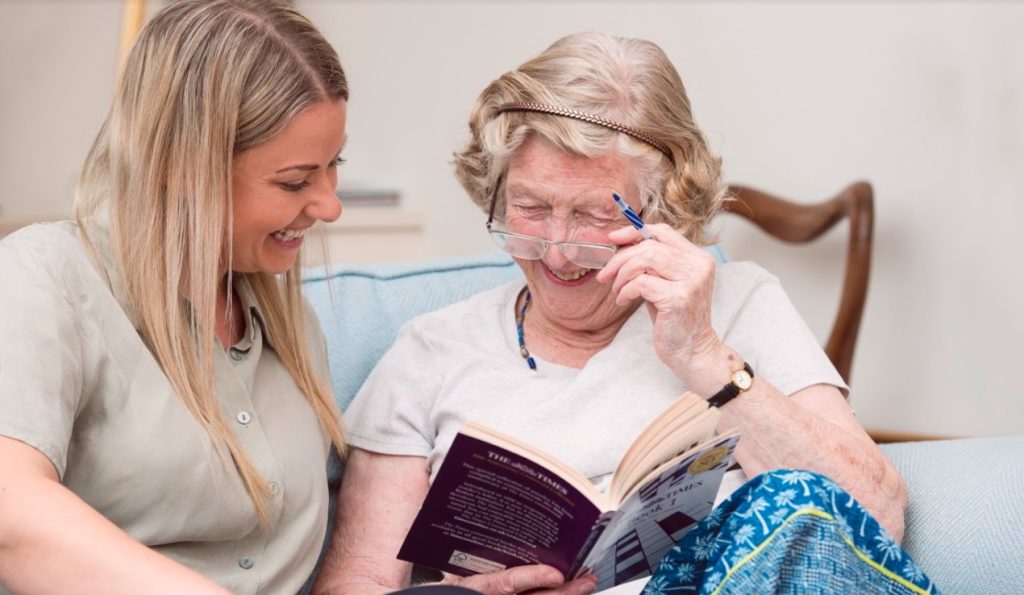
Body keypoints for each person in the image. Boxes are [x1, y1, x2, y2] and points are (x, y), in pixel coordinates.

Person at [314, 32, 937, 595]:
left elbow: (872, 515)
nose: (558, 249)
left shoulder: (740, 304)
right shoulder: (429, 352)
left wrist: (705, 358)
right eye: (530, 207)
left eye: (593, 215)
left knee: (787, 506)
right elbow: (357, 585)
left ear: (663, 210)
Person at [0, 1, 349, 592]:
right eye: (294, 181)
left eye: (333, 165)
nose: (330, 206)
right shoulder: (46, 278)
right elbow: (10, 511)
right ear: (180, 167)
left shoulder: (291, 326)